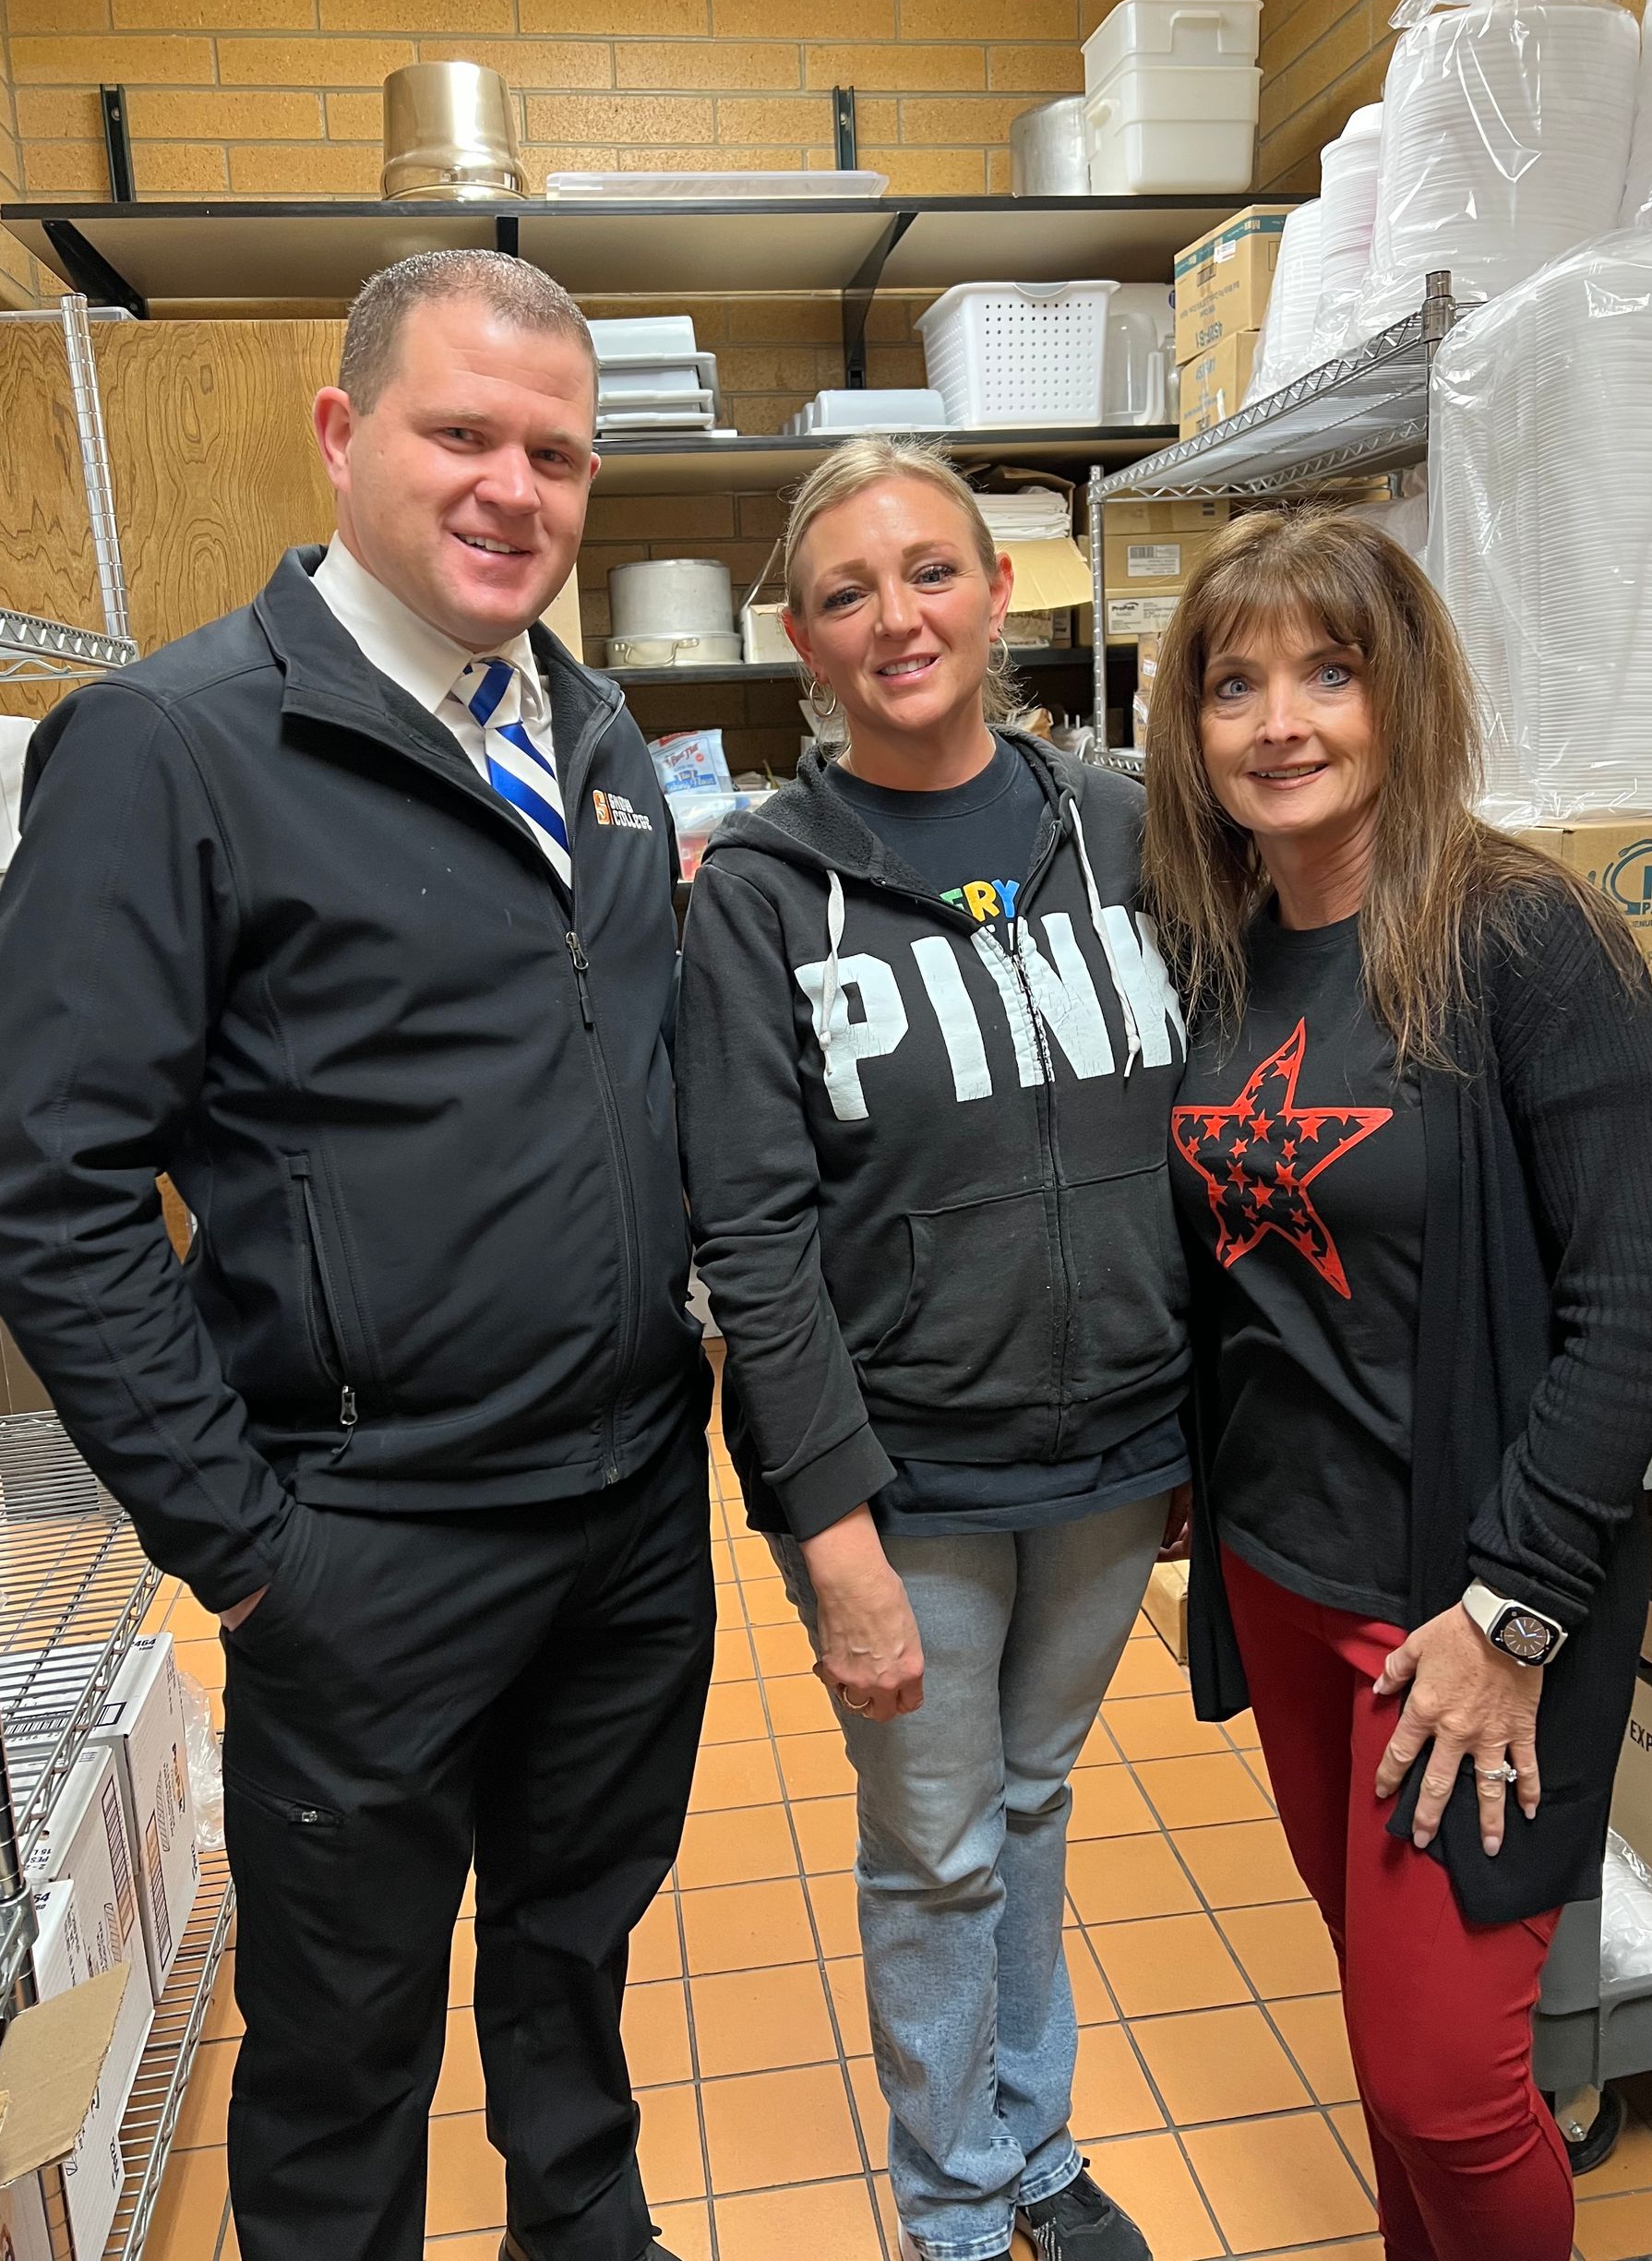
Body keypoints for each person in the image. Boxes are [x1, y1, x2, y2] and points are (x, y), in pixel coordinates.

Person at [0, 250, 712, 2261]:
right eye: (462, 431)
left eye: (556, 451)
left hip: (631, 1516)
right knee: (339, 2062)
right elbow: (41, 1176)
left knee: (576, 1970)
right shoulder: (176, 743)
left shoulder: (605, 738)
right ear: (341, 433)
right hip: (372, 1542)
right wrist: (254, 1544)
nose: (513, 487)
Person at [1143, 508, 1652, 2261]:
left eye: (1329, 673)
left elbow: (1642, 1309)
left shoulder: (1526, 941)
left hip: (1462, 1607)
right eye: (1234, 685)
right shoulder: (1219, 949)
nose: (1280, 721)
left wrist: (1517, 1611)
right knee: (1393, 2067)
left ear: (1407, 697)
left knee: (1454, 2086)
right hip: (1282, 1579)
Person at [676, 437, 1191, 2261]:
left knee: (1032, 1800)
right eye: (844, 591)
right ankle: (957, 2202)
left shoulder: (1125, 829)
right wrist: (830, 1530)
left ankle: (1032, 2138)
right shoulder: (759, 892)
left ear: (997, 593)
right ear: (802, 644)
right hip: (912, 1480)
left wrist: (1206, 1413)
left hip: (1122, 1451)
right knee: (937, 1846)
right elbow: (746, 1234)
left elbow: (1209, 1122)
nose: (896, 614)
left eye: (929, 570)